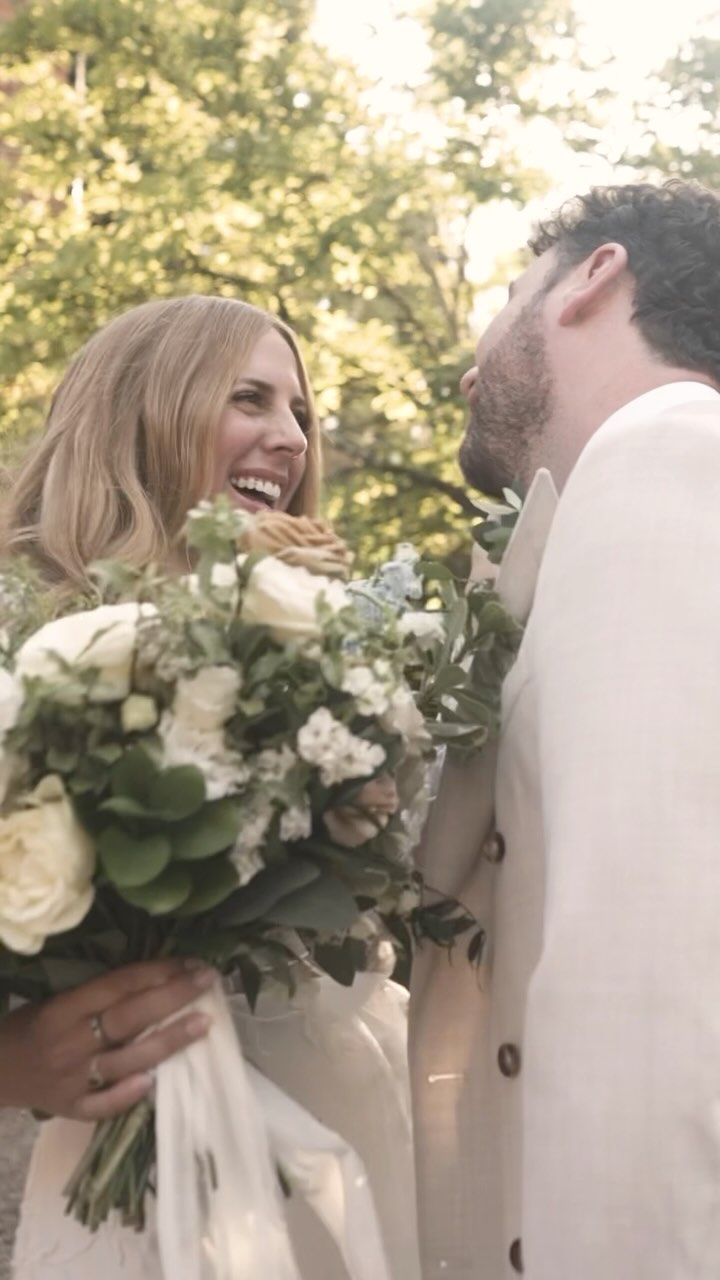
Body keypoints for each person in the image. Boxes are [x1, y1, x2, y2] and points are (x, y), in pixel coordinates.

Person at [1, 295, 418, 1279]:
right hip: (129, 1160)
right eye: (249, 398)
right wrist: (12, 1061)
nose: (292, 437)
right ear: (143, 414)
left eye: (300, 412)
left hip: (342, 1118)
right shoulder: (26, 648)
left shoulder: (331, 663)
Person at [410, 180, 720, 1279]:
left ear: (595, 276)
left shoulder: (665, 456)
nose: (471, 366)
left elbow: (648, 985)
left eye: (508, 297)